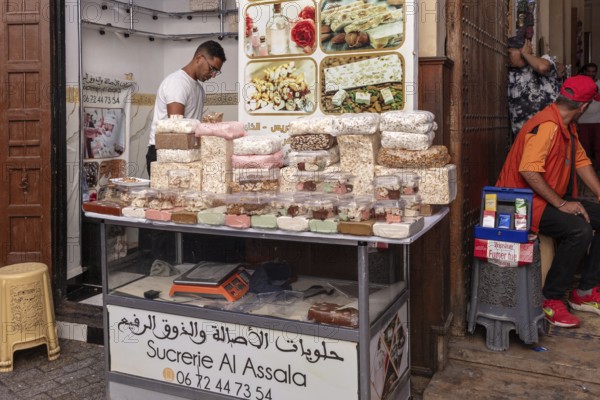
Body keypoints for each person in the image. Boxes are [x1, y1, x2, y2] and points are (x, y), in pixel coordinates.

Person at [496, 75, 600, 328]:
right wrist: (562, 204)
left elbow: (582, 161)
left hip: (543, 199)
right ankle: (551, 299)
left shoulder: (566, 125)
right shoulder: (548, 125)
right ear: (583, 107)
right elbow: (529, 171)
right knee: (579, 230)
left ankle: (585, 292)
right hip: (519, 203)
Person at [146, 40, 226, 176]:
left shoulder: (199, 89)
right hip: (166, 152)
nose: (213, 75)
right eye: (212, 69)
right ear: (199, 58)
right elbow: (176, 128)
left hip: (185, 152)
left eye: (216, 72)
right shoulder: (178, 83)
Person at [508, 36, 561, 139]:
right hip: (523, 136)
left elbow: (543, 68)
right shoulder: (509, 72)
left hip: (547, 132)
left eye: (509, 53)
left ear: (521, 50)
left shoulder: (544, 61)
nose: (507, 57)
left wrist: (526, 54)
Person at [577, 63, 600, 170]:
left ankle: (598, 169)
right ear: (585, 72)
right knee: (584, 147)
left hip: (598, 121)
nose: (591, 73)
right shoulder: (579, 83)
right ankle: (586, 168)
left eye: (593, 71)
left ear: (596, 72)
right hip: (582, 121)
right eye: (589, 71)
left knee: (598, 146)